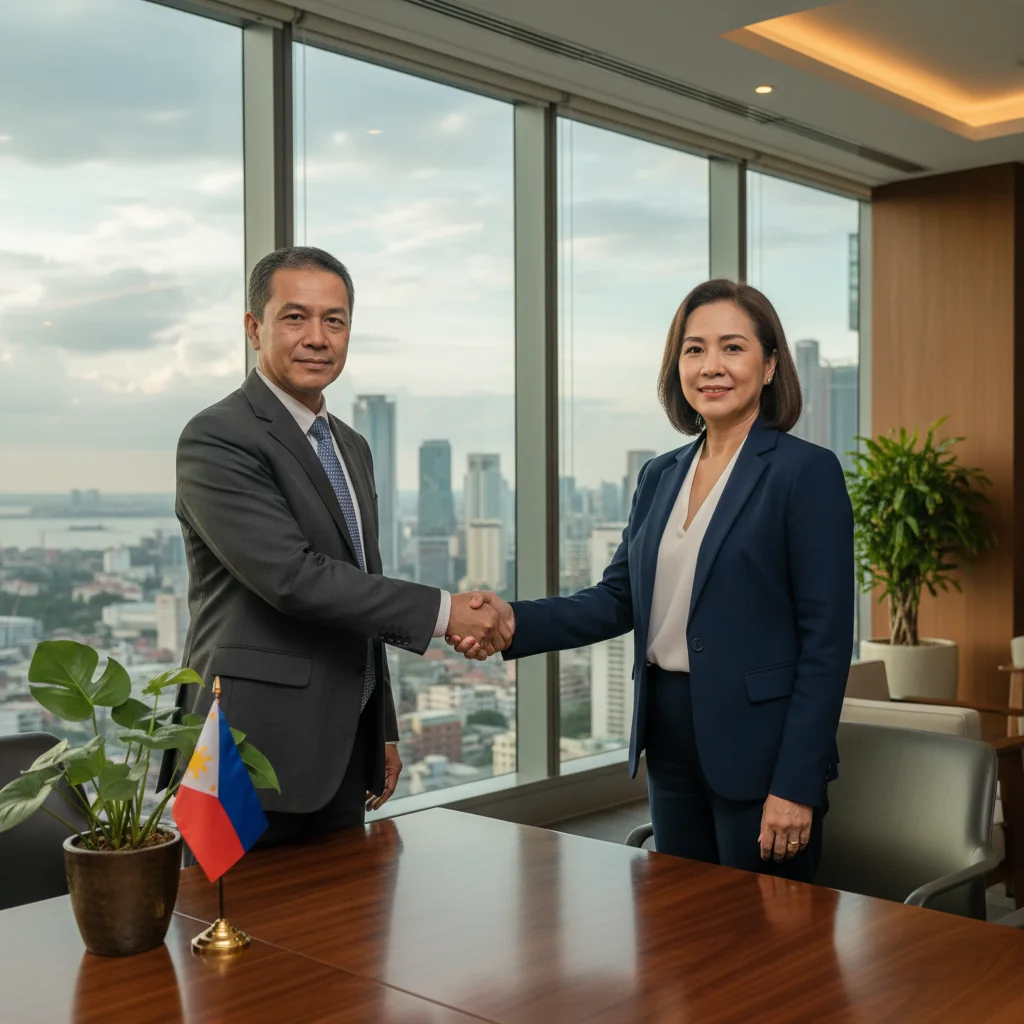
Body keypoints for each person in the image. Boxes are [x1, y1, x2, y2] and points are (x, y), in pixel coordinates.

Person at [447, 279, 853, 882]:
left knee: (766, 944)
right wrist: (512, 621)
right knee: (678, 932)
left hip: (760, 743)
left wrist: (796, 783)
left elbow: (825, 645)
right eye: (694, 349)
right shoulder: (661, 474)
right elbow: (618, 599)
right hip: (668, 733)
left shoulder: (805, 472)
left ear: (770, 366)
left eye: (732, 348)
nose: (711, 366)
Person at [159, 246, 512, 847]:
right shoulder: (217, 435)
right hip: (243, 746)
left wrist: (384, 727)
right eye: (295, 317)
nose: (317, 338)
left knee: (342, 931)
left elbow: (361, 588)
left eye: (335, 320)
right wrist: (445, 610)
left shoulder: (350, 445)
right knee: (229, 926)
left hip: (343, 744)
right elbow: (293, 578)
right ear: (254, 329)